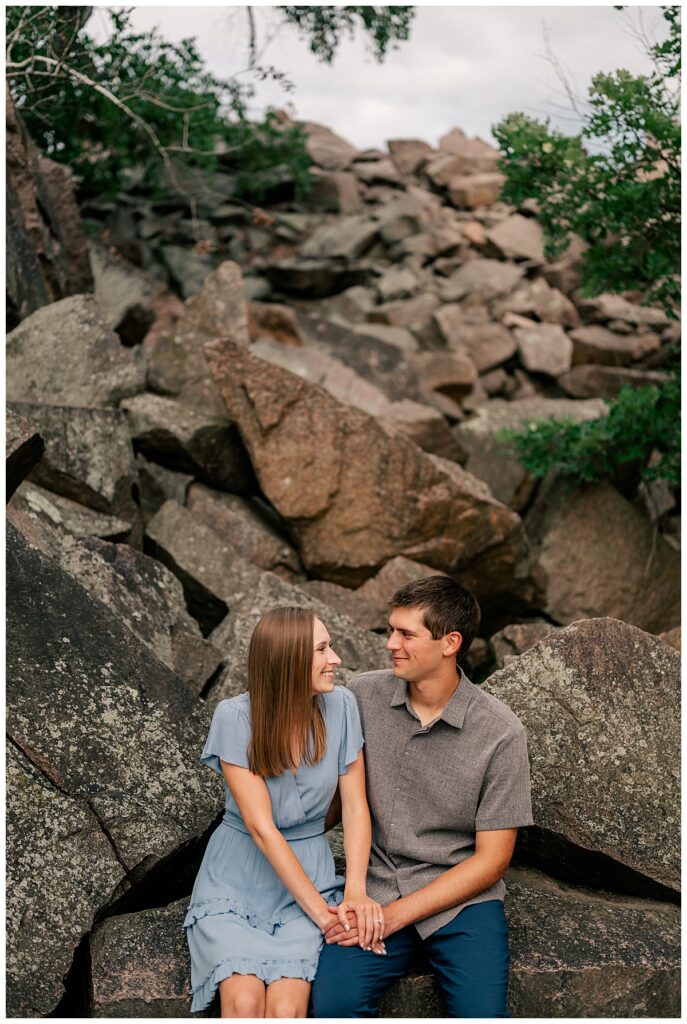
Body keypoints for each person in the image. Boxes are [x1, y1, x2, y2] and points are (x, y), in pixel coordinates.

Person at [311, 576, 534, 1019]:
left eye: (406, 634)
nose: (391, 643)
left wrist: (394, 917)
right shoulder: (361, 696)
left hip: (461, 898)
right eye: (391, 630)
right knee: (333, 1004)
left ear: (450, 642)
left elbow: (491, 860)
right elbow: (328, 797)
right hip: (372, 883)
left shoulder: (501, 733)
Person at [184, 606, 385, 1018]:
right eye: (323, 650)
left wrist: (356, 893)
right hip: (238, 875)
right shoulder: (235, 717)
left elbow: (355, 806)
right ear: (289, 662)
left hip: (311, 869)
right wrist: (325, 918)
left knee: (288, 1009)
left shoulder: (342, 706)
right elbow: (261, 828)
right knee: (242, 1002)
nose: (336, 660)